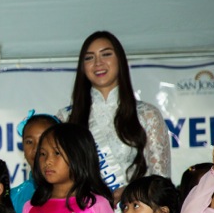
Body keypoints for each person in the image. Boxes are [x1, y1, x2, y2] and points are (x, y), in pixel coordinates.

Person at [58, 31, 172, 200]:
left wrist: (129, 192)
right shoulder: (66, 118)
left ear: (120, 60)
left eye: (106, 54)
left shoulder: (147, 115)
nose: (98, 63)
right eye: (89, 58)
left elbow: (161, 181)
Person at [11, 111, 60, 213]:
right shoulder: (13, 198)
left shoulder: (76, 194)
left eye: (44, 140)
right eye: (29, 142)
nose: (36, 149)